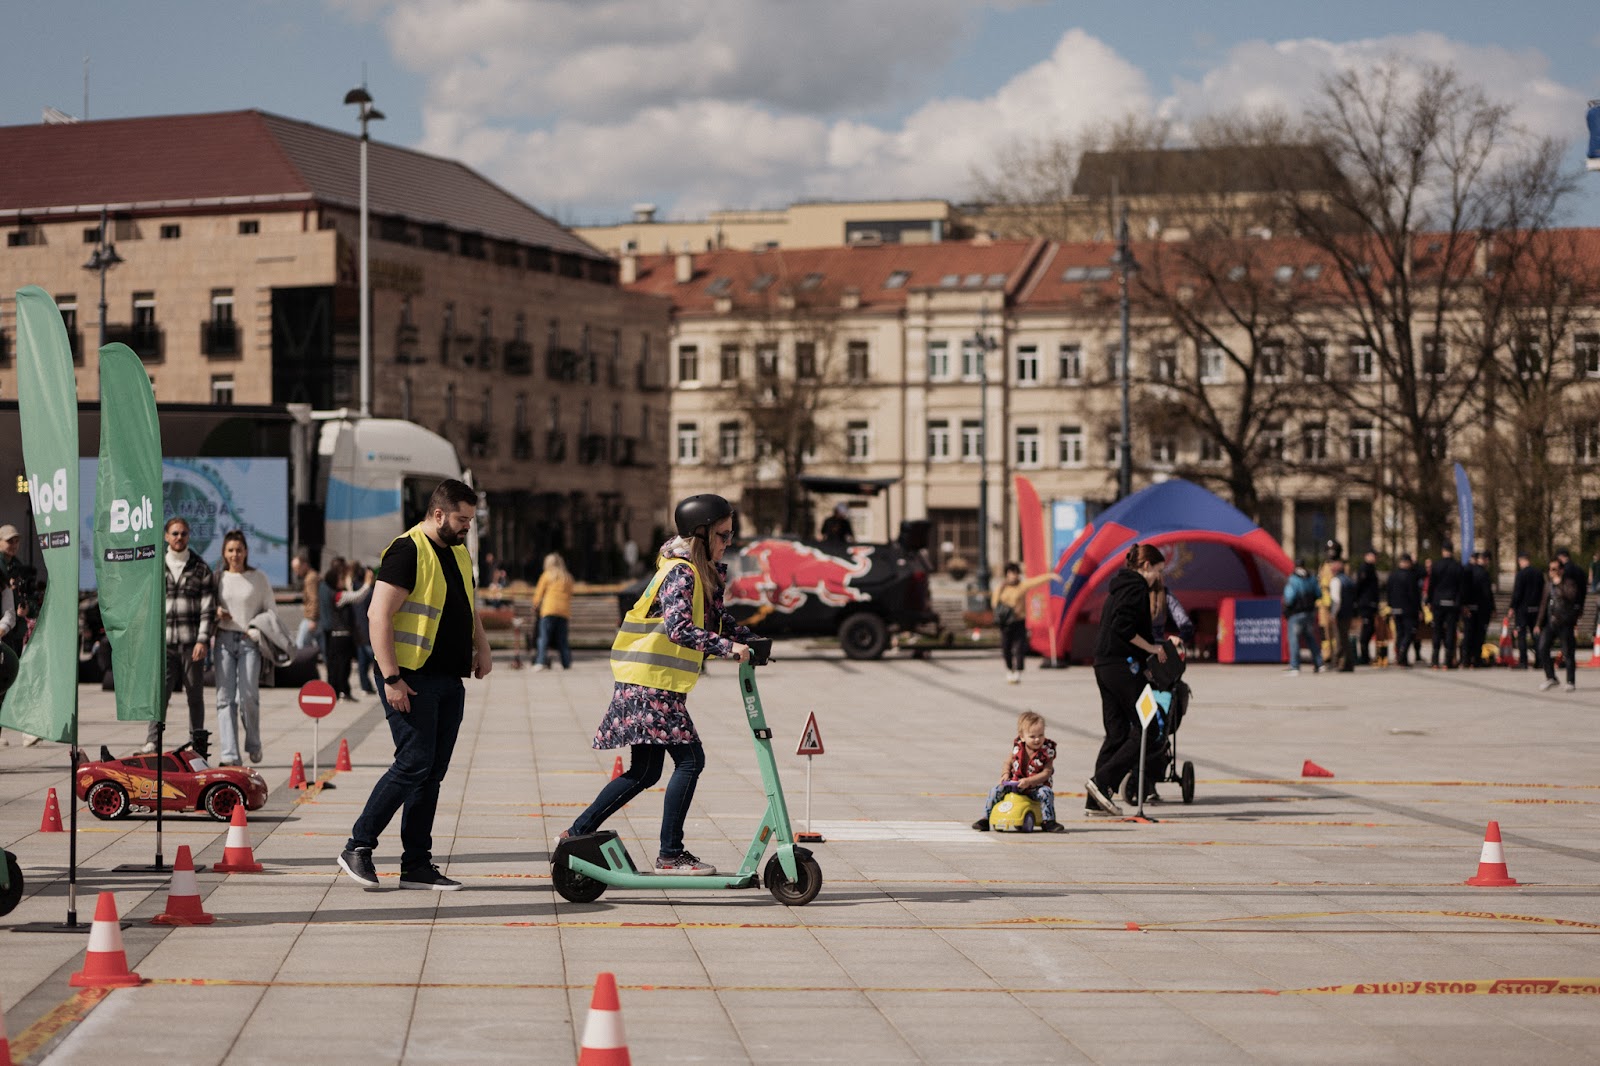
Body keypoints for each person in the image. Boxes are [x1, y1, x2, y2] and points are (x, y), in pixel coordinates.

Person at [562, 494, 753, 874]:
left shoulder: (700, 571)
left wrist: (750, 639)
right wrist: (729, 649)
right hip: (649, 684)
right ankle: (670, 854)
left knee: (645, 772)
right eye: (723, 534)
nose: (728, 542)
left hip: (651, 682)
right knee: (691, 760)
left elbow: (714, 618)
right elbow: (680, 628)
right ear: (701, 534)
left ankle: (576, 833)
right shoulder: (680, 573)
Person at [339, 479, 491, 891]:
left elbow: (468, 606)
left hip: (446, 677)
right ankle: (358, 845)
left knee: (431, 773)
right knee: (413, 763)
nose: (467, 528)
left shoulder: (458, 553)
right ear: (438, 514)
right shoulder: (407, 551)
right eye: (462, 520)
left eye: (471, 521)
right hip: (409, 676)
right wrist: (391, 679)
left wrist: (483, 647)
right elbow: (378, 615)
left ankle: (416, 866)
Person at [1084, 543, 1168, 816]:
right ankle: (1102, 783)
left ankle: (1096, 801)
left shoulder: (1120, 585)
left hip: (1104, 664)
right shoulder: (1136, 587)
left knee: (1118, 732)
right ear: (1146, 567)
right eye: (1157, 571)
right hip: (1121, 666)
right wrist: (1153, 649)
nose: (1157, 578)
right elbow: (1124, 627)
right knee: (1149, 728)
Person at [146, 517, 216, 755]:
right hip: (163, 645)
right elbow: (148, 605)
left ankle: (197, 741)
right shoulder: (156, 565)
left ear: (189, 536)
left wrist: (202, 640)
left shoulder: (200, 567)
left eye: (184, 534)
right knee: (160, 696)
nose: (179, 538)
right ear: (166, 536)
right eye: (175, 533)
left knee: (195, 695)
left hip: (191, 644)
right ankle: (153, 741)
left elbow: (208, 608)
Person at [212, 530, 274, 766]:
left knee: (249, 696)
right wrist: (217, 613)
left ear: (246, 551)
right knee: (224, 698)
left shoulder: (258, 578)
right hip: (223, 640)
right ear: (224, 553)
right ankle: (229, 754)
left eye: (239, 550)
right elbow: (208, 607)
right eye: (230, 550)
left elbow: (270, 611)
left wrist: (257, 631)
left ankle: (254, 742)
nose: (235, 554)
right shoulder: (218, 578)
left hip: (250, 640)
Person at [971, 710, 1063, 832]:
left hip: (1036, 788)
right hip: (1015, 785)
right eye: (1032, 736)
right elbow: (1008, 763)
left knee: (1046, 793)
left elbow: (1046, 772)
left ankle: (1048, 821)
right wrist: (1005, 774)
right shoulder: (1018, 748)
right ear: (1022, 737)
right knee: (995, 791)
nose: (1037, 739)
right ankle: (985, 819)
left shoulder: (1047, 752)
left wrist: (1029, 781)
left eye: (1041, 735)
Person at [322, 558, 374, 701]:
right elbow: (357, 597)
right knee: (343, 666)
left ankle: (338, 691)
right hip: (341, 636)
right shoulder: (339, 595)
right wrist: (367, 584)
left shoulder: (336, 593)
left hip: (337, 636)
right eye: (340, 578)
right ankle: (342, 691)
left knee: (338, 665)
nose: (342, 580)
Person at [992, 562, 1051, 683]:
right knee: (1006, 647)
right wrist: (1006, 609)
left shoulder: (1022, 586)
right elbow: (994, 603)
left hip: (1019, 621)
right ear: (1006, 574)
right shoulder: (1001, 587)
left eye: (1016, 573)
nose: (1014, 576)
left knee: (1019, 647)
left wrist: (1051, 576)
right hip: (1006, 623)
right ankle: (1009, 669)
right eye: (1011, 573)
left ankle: (1018, 671)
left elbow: (1036, 581)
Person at [1536, 557, 1582, 692]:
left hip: (1565, 622)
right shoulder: (1548, 585)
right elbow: (1544, 605)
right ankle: (1551, 677)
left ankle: (1570, 681)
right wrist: (1538, 623)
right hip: (1551, 622)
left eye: (1554, 569)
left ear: (1561, 570)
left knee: (1568, 652)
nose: (1552, 572)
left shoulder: (1569, 583)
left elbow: (1572, 597)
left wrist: (1559, 585)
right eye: (1550, 569)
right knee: (1542, 648)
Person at [531, 552, 575, 671]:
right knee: (562, 639)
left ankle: (540, 661)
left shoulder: (547, 575)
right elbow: (570, 594)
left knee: (543, 637)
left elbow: (539, 593)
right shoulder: (567, 577)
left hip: (549, 610)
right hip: (563, 611)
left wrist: (535, 605)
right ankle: (566, 663)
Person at [1282, 559, 1323, 675]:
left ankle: (1295, 665)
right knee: (1311, 639)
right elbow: (1318, 593)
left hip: (1296, 613)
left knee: (1294, 640)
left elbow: (1289, 598)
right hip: (1309, 613)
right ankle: (1319, 663)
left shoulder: (1293, 579)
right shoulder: (1311, 578)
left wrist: (1287, 607)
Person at [1428, 544, 1463, 669]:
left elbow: (1431, 585)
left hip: (1438, 602)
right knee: (1450, 631)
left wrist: (1429, 600)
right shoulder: (1457, 566)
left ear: (1443, 551)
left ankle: (1435, 660)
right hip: (1452, 602)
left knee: (1437, 630)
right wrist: (1460, 603)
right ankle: (1448, 660)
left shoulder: (1437, 565)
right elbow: (1461, 587)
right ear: (1452, 552)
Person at [1385, 554, 1422, 667]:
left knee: (1400, 633)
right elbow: (1414, 595)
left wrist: (1391, 606)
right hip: (1408, 609)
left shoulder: (1393, 575)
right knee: (1409, 633)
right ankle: (1402, 652)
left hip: (1396, 608)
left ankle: (1401, 658)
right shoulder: (1410, 576)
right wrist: (1418, 609)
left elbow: (1388, 592)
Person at [1461, 550, 1495, 668]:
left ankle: (1465, 659)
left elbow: (1463, 589)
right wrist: (1492, 608)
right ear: (1485, 560)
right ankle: (1476, 659)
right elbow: (1487, 593)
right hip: (1481, 609)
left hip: (1469, 607)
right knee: (1479, 635)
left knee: (1468, 634)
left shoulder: (1468, 571)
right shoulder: (1484, 574)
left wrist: (1464, 604)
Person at [1509, 552, 1543, 669]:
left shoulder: (1521, 574)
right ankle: (1540, 660)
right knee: (1536, 635)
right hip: (1536, 609)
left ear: (1521, 561)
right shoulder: (1538, 573)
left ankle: (1523, 661)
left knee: (1522, 635)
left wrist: (1512, 607)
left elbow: (1517, 592)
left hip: (1522, 610)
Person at [350, 561, 378, 694]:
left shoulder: (355, 590)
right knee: (376, 660)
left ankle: (365, 686)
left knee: (363, 662)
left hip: (358, 631)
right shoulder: (368, 592)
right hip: (367, 631)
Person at [1327, 557, 1356, 672]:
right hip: (1348, 612)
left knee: (1340, 639)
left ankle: (1340, 663)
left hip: (1340, 614)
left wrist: (1333, 614)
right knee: (1345, 638)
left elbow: (1336, 600)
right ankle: (1349, 663)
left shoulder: (1336, 581)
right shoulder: (1348, 580)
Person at [1354, 549, 1381, 665]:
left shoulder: (1371, 568)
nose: (1374, 558)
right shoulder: (1365, 569)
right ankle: (1364, 656)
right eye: (1372, 555)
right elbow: (1359, 586)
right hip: (1365, 604)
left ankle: (1365, 655)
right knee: (1366, 630)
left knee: (1371, 628)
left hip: (1370, 603)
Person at [291, 549, 321, 652]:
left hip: (310, 618)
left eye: (297, 568)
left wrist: (313, 619)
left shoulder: (311, 578)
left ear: (304, 565)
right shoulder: (311, 576)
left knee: (300, 646)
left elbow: (314, 598)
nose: (296, 572)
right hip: (312, 617)